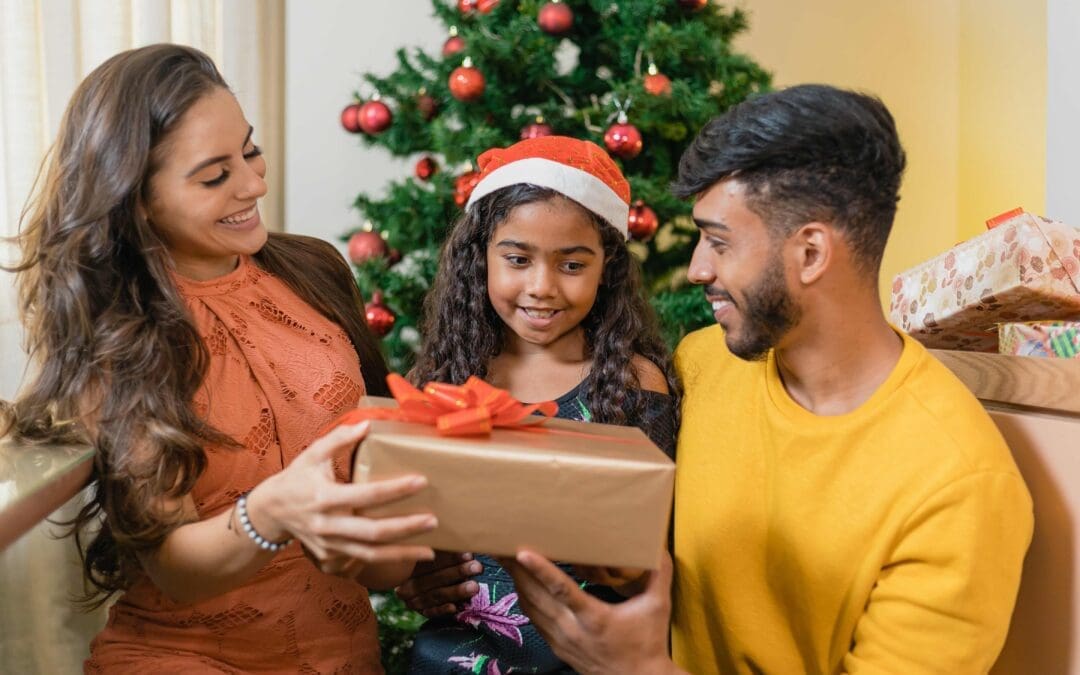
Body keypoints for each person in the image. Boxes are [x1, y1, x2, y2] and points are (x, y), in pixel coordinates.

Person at [502, 84, 1035, 674]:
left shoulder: (960, 487)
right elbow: (659, 555)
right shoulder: (703, 364)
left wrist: (639, 669)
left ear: (810, 253)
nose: (698, 267)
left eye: (720, 242)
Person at [1, 44, 439, 673]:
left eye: (250, 152)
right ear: (137, 199)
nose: (255, 184)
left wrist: (408, 557)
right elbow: (174, 569)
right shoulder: (120, 337)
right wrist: (269, 512)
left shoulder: (312, 270)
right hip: (182, 658)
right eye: (214, 175)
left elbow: (369, 497)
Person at [400, 135, 680, 673]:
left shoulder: (631, 385)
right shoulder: (440, 382)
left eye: (572, 265)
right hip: (451, 661)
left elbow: (649, 556)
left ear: (608, 267)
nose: (542, 287)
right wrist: (413, 575)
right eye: (518, 259)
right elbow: (406, 534)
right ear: (479, 258)